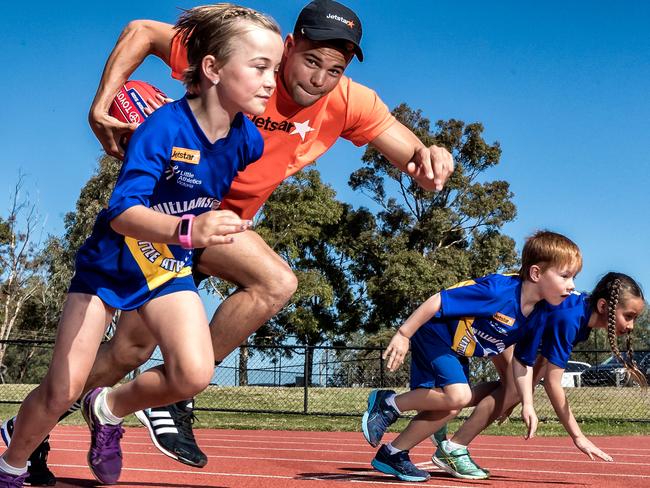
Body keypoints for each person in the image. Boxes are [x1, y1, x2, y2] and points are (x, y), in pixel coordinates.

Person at [0, 2, 455, 485]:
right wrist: (102, 105)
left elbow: (412, 156)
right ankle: (35, 433)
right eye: (310, 61)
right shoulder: (245, 62)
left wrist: (431, 160)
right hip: (167, 222)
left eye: (334, 69)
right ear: (289, 47)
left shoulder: (347, 101)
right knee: (130, 352)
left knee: (246, 298)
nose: (320, 78)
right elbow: (142, 32)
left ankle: (153, 397)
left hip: (218, 225)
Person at [0, 5, 284, 487]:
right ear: (212, 68)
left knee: (192, 374)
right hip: (109, 265)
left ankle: (108, 409)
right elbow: (122, 212)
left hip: (163, 267)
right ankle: (11, 465)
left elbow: (205, 191)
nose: (271, 81)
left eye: (274, 69)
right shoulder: (163, 129)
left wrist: (218, 225)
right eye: (259, 67)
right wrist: (190, 231)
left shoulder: (246, 141)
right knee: (61, 387)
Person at [360, 230, 582, 482]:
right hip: (434, 334)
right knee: (460, 396)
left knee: (451, 407)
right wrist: (403, 333)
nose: (571, 285)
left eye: (573, 277)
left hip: (457, 350)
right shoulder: (498, 292)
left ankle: (393, 453)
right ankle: (387, 404)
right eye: (565, 276)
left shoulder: (539, 315)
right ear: (536, 273)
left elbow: (522, 363)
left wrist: (528, 404)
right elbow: (438, 301)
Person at [430, 272, 646, 480]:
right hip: (504, 315)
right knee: (512, 391)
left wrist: (524, 397)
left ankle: (439, 410)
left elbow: (542, 359)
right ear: (603, 306)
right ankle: (454, 448)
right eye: (628, 316)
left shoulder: (580, 318)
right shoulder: (570, 319)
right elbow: (553, 384)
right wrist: (578, 436)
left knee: (512, 391)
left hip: (515, 324)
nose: (631, 326)